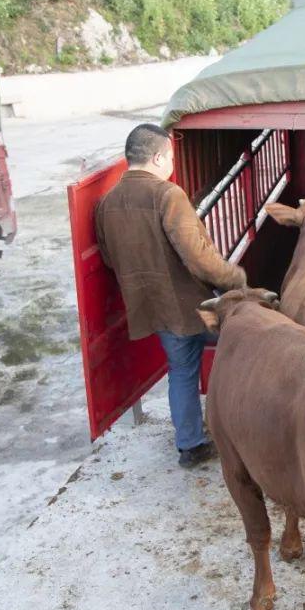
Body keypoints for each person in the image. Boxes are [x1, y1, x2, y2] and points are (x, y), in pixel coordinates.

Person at [95, 123, 247, 468]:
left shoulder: (107, 204)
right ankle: (252, 429)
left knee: (181, 371)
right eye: (172, 157)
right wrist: (235, 278)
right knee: (252, 350)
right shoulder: (167, 195)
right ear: (159, 156)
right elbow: (197, 257)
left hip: (153, 309)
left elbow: (107, 258)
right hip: (191, 306)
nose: (172, 164)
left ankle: (190, 444)